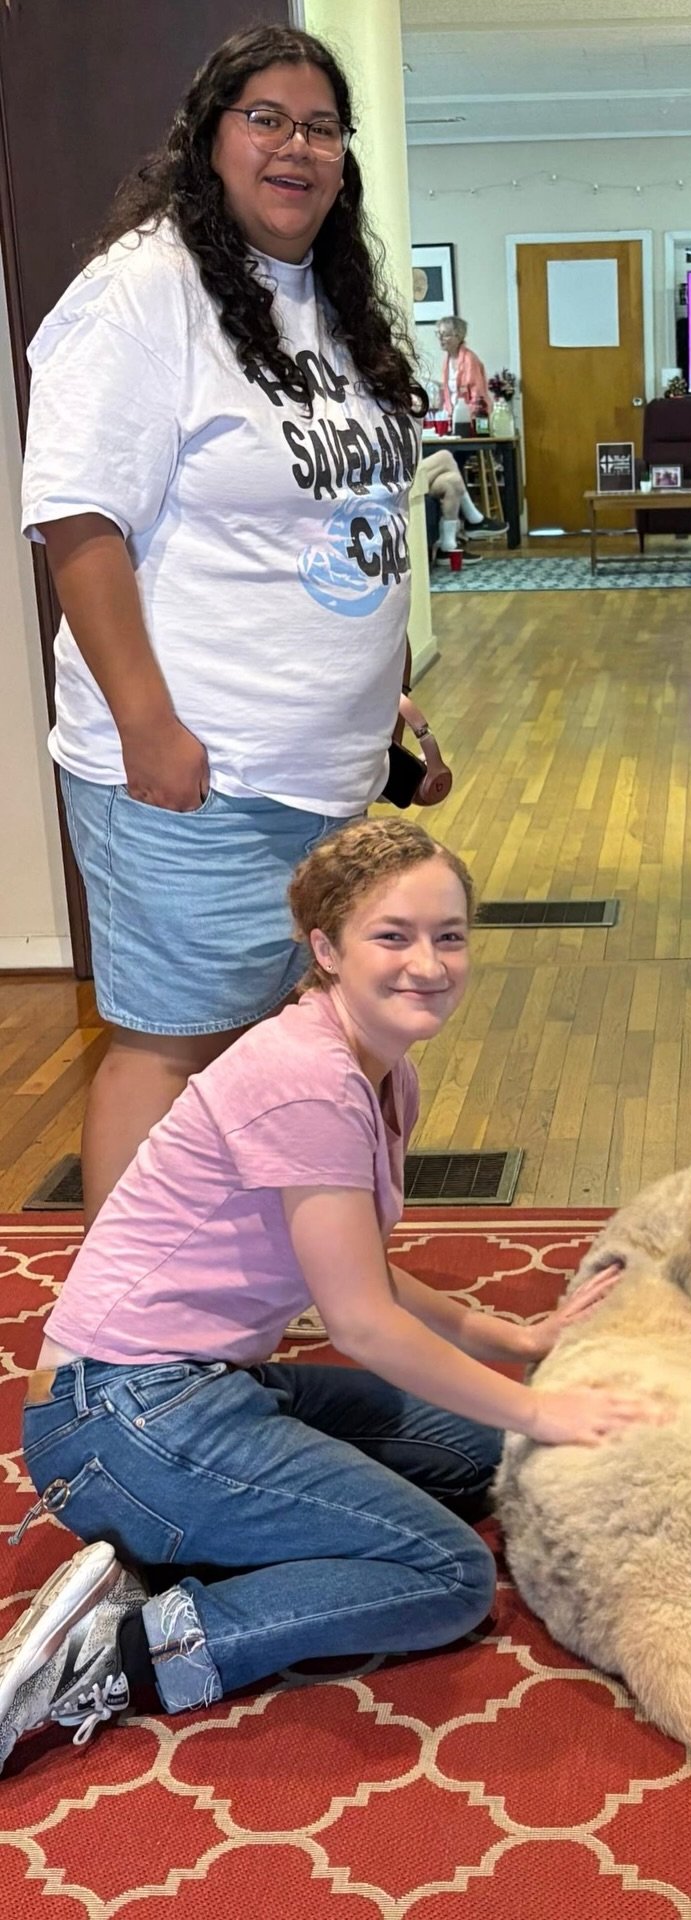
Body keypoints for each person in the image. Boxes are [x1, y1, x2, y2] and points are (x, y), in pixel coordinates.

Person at [0, 819, 663, 1771]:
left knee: (483, 1458)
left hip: (200, 1390)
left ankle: (174, 1551)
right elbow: (358, 1322)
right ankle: (122, 1653)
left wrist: (506, 1337)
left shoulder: (381, 1069)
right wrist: (543, 1405)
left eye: (450, 935)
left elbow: (353, 1266)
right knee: (447, 1572)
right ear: (325, 949)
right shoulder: (308, 1080)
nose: (428, 964)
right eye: (392, 937)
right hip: (117, 1419)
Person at [20, 27, 428, 1225]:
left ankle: (231, 1301)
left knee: (276, 1051)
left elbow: (348, 530)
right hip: (197, 776)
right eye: (266, 119)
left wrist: (392, 703)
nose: (295, 147)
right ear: (209, 138)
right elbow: (74, 517)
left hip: (324, 773)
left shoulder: (330, 301)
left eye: (320, 127)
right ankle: (122, 1345)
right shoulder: (145, 288)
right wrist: (149, 727)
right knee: (173, 1048)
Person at [413, 447, 503, 555]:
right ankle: (473, 518)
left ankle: (448, 548)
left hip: (404, 473)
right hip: (394, 482)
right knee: (445, 457)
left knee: (452, 481)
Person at [436, 315, 489, 422]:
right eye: (439, 334)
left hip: (470, 419)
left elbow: (477, 396)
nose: (440, 338)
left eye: (445, 334)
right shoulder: (447, 360)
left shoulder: (470, 359)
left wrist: (467, 418)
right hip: (452, 418)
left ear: (459, 337)